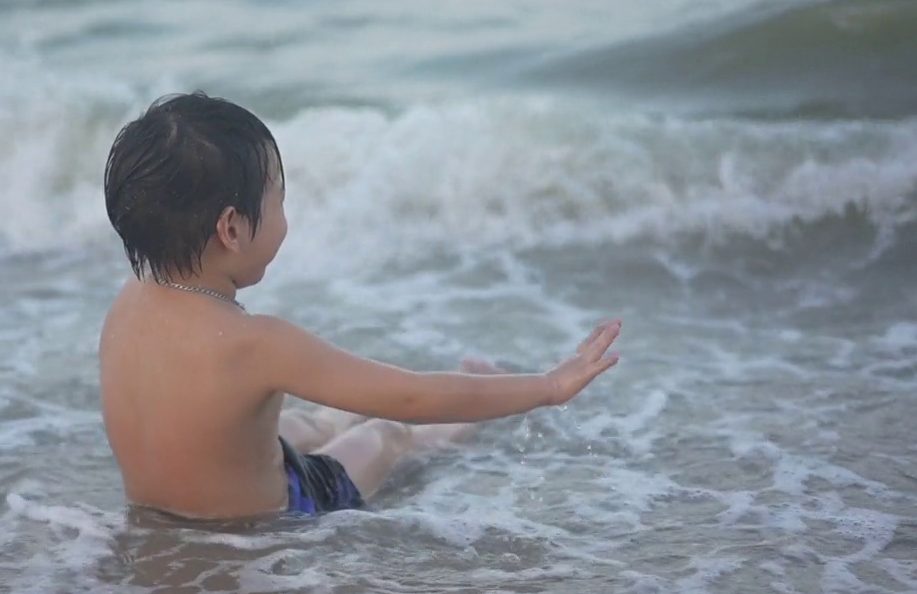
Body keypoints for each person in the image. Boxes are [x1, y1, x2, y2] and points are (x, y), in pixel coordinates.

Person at [99, 91, 621, 520]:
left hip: (159, 509)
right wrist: (548, 386)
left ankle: (331, 418)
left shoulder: (129, 304)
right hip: (266, 519)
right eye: (279, 196)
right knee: (385, 433)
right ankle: (425, 423)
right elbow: (412, 399)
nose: (284, 211)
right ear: (231, 228)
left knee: (302, 426)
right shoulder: (254, 343)